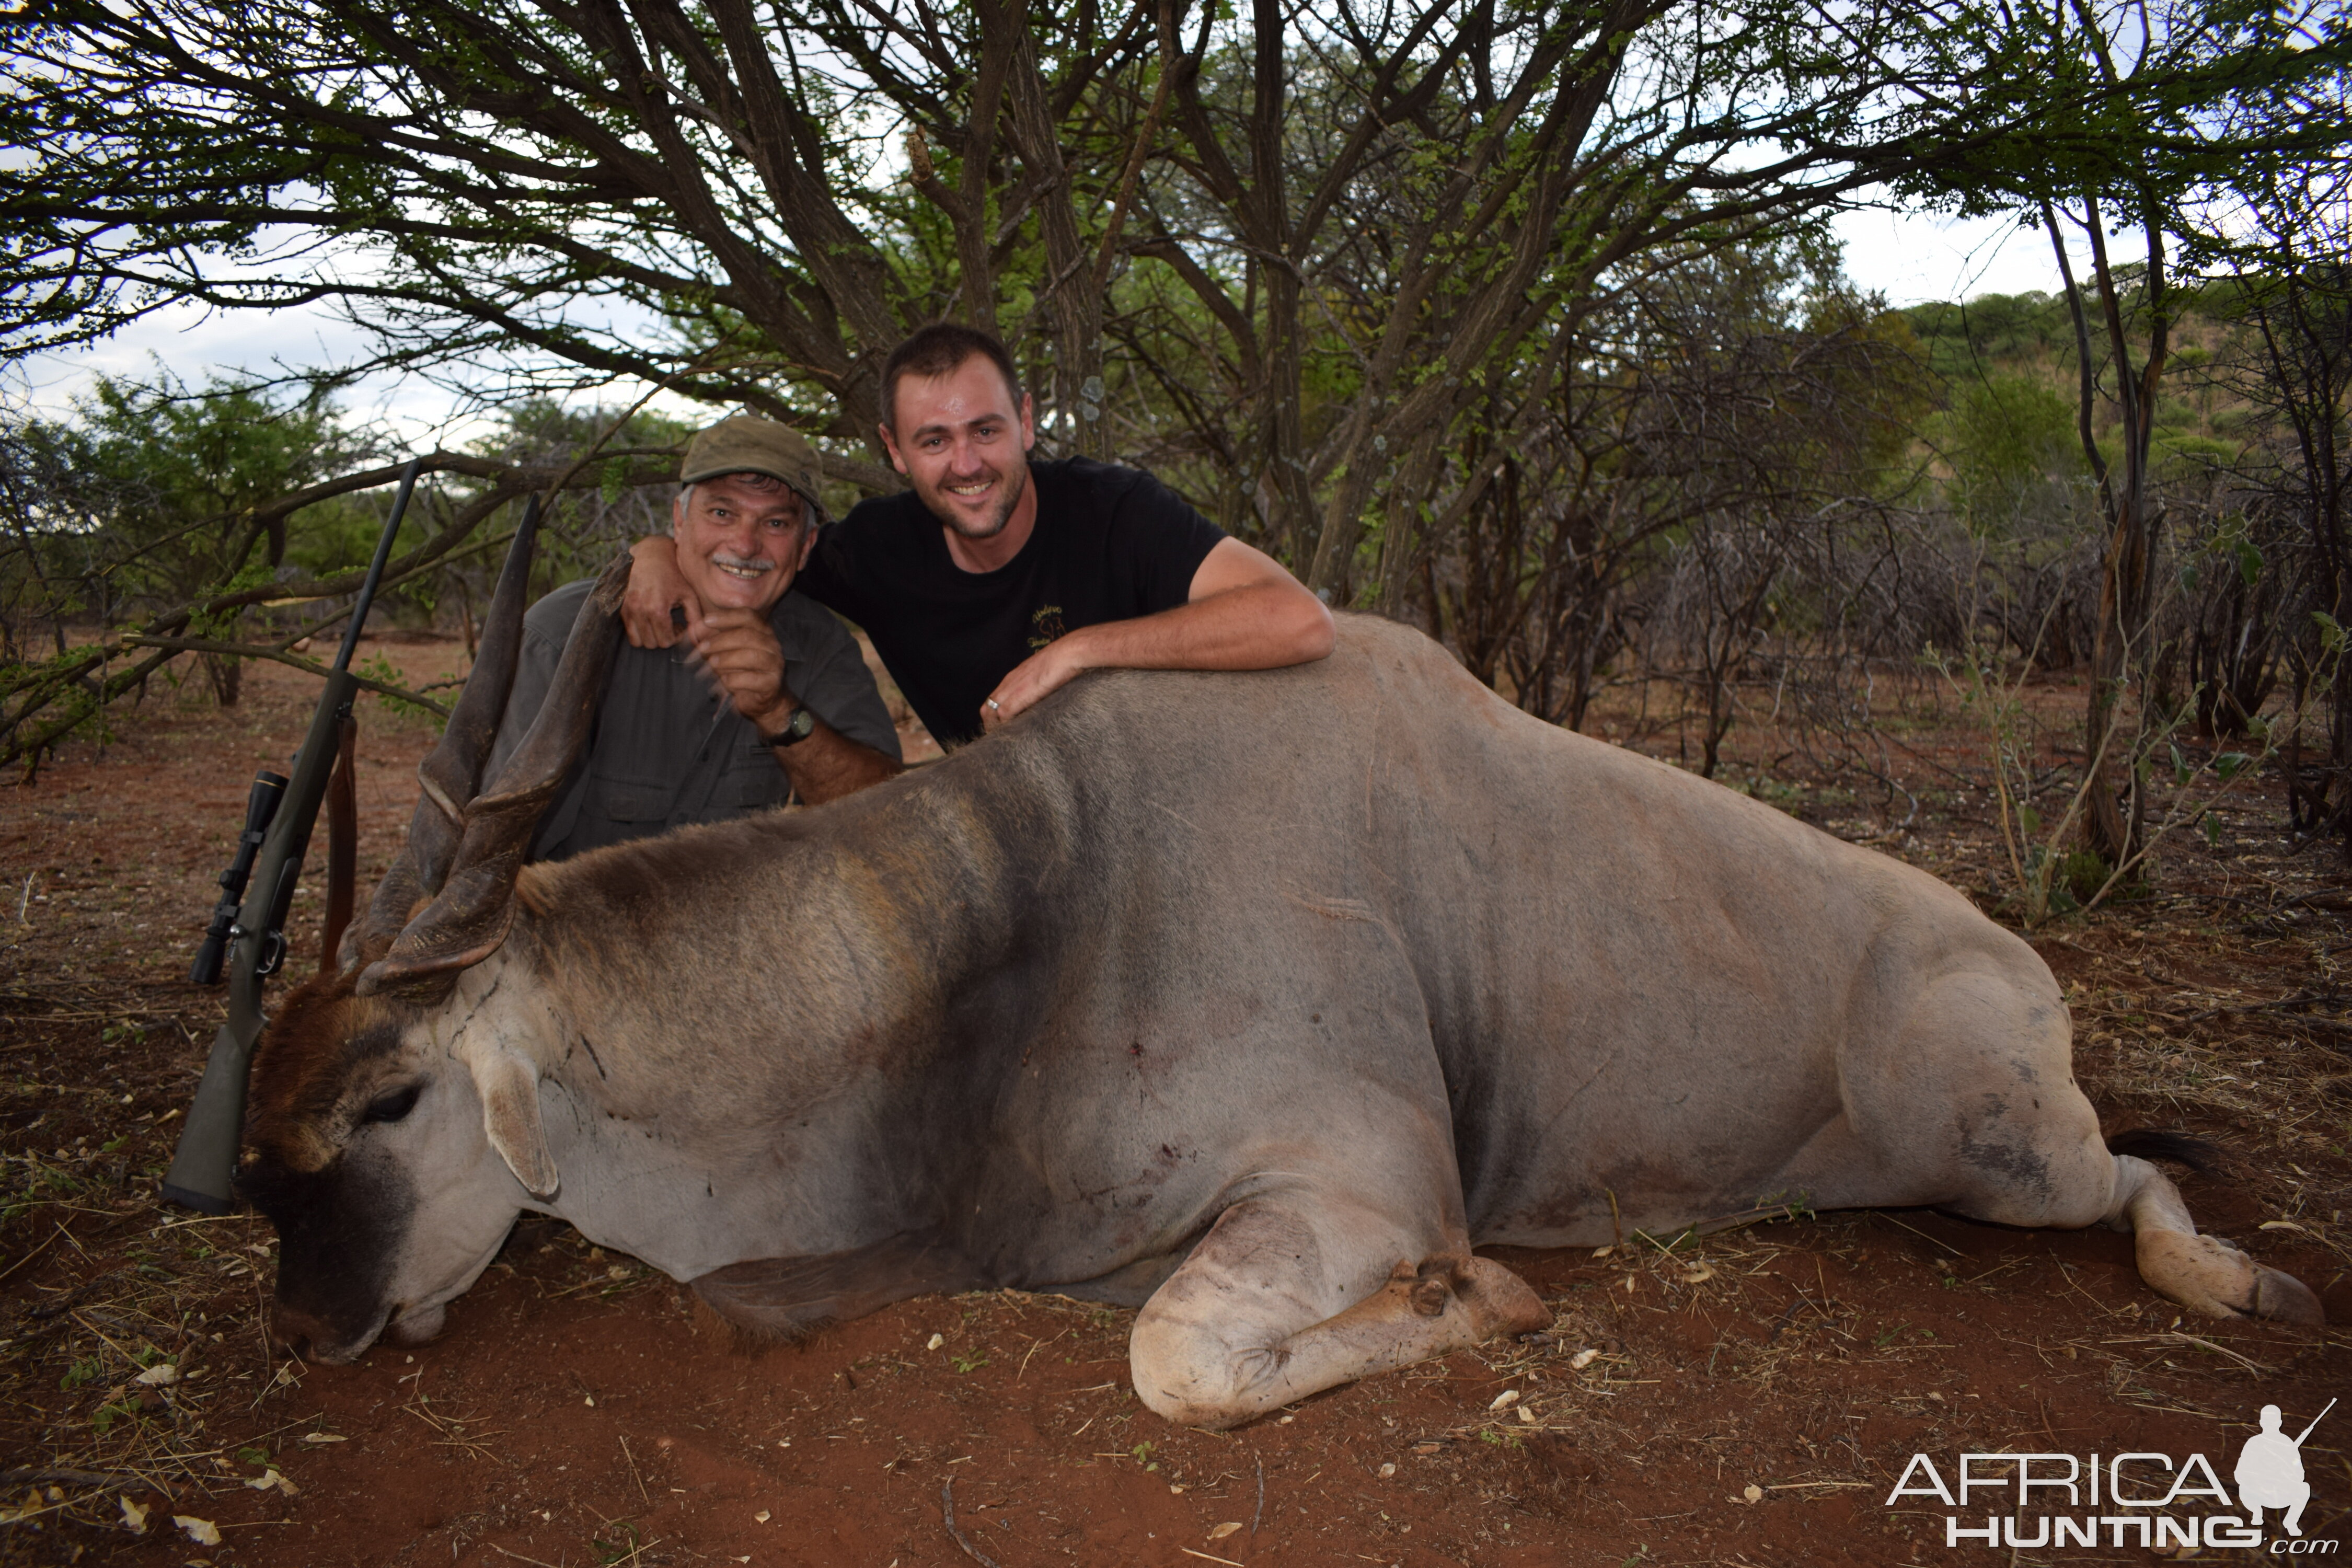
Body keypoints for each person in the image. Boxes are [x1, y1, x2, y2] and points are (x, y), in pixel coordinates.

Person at [623, 323, 1334, 748]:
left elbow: (1298, 621)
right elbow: (753, 553)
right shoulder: (874, 551)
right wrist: (655, 552)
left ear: (1025, 422)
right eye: (934, 440)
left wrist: (1079, 653)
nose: (966, 465)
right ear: (895, 452)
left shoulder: (1113, 509)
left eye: (986, 431)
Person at [489, 417, 903, 861]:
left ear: (806, 547)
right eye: (722, 513)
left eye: (777, 523)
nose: (745, 545)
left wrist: (778, 711)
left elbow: (883, 817)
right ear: (679, 522)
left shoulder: (822, 645)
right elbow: (488, 853)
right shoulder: (562, 632)